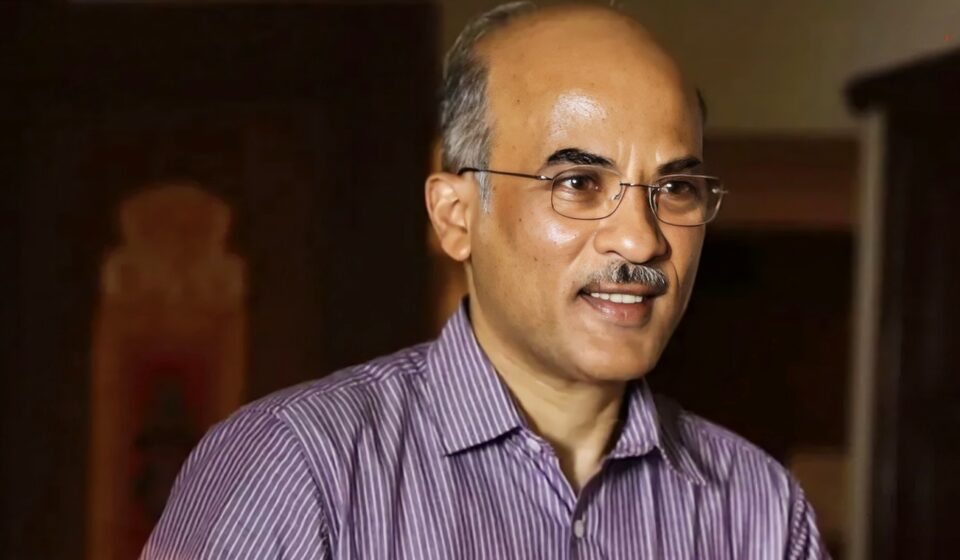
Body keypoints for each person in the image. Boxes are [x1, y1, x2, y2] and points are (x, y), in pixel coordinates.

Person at [142, 2, 829, 558]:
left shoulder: (759, 510)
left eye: (674, 187)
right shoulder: (296, 471)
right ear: (455, 215)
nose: (641, 238)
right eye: (579, 183)